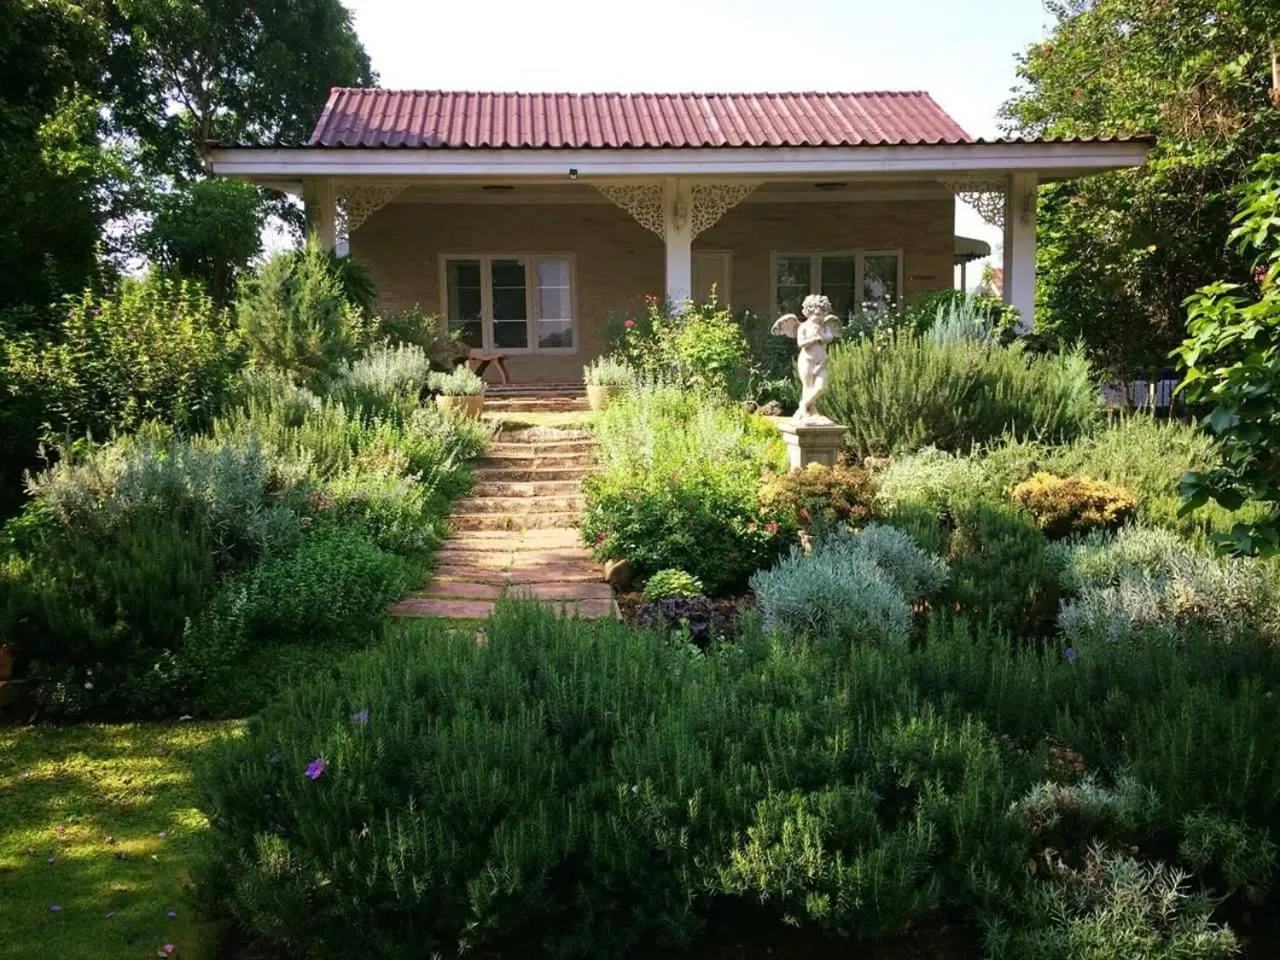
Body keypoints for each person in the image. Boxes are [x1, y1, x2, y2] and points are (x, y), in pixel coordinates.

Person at [771, 294, 843, 422]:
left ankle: (803, 405)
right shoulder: (803, 326)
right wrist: (815, 338)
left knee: (821, 387)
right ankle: (809, 411)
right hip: (807, 361)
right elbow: (801, 343)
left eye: (822, 315)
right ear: (809, 312)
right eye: (817, 315)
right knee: (808, 386)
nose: (820, 318)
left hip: (821, 362)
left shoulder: (824, 327)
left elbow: (829, 338)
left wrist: (823, 336)